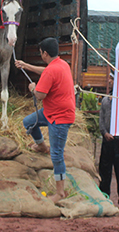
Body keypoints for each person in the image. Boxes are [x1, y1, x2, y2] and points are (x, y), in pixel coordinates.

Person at [15, 38, 76, 203]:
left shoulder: (53, 70)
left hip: (60, 116)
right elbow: (46, 71)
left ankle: (60, 193)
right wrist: (26, 66)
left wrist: (33, 88)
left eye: (41, 52)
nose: (40, 54)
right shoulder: (61, 64)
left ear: (45, 53)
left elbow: (40, 96)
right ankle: (41, 146)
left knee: (56, 154)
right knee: (28, 122)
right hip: (51, 111)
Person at [98, 72, 119, 210]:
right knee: (105, 169)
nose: (109, 81)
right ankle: (104, 195)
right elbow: (101, 120)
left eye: (112, 79)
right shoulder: (105, 101)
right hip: (107, 140)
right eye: (109, 79)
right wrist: (105, 133)